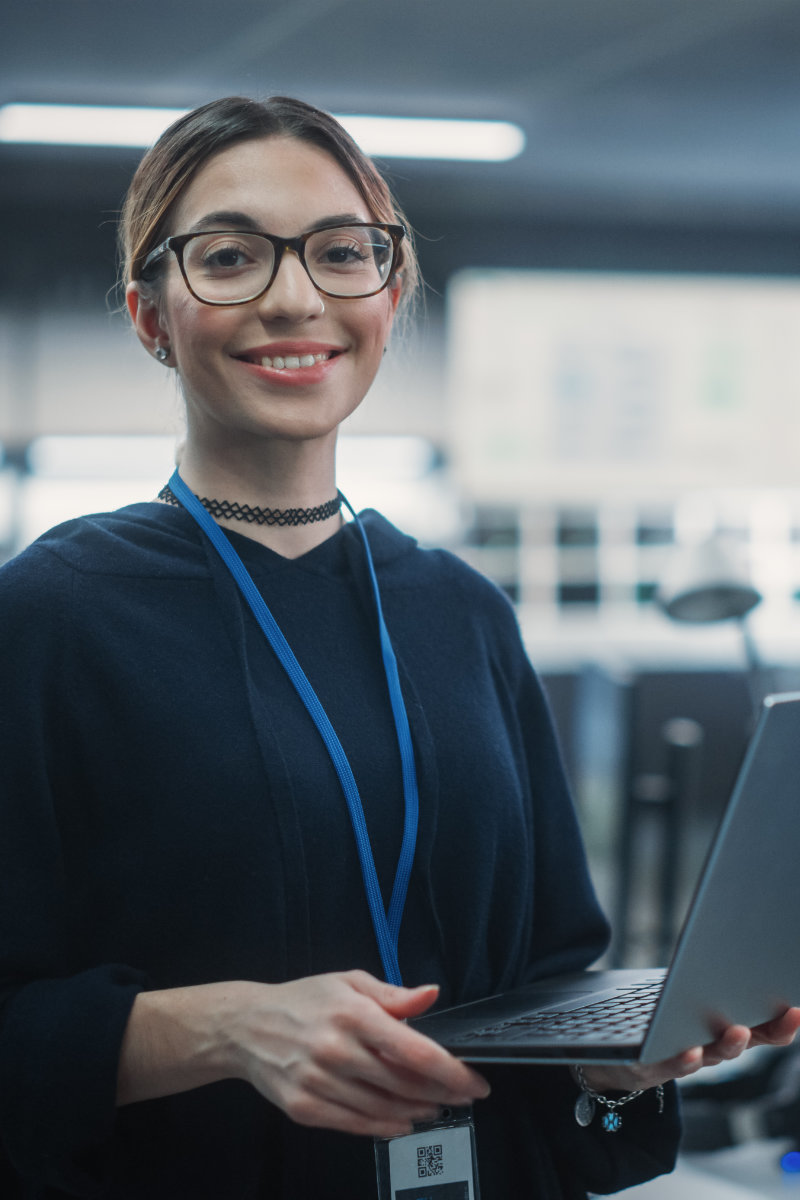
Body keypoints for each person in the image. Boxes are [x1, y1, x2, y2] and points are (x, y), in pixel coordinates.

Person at [0, 95, 797, 1200]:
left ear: (389, 295)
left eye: (341, 254)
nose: (293, 297)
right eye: (229, 256)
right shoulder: (53, 614)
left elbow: (546, 975)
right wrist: (225, 1027)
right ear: (150, 315)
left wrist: (613, 1058)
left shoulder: (460, 612)